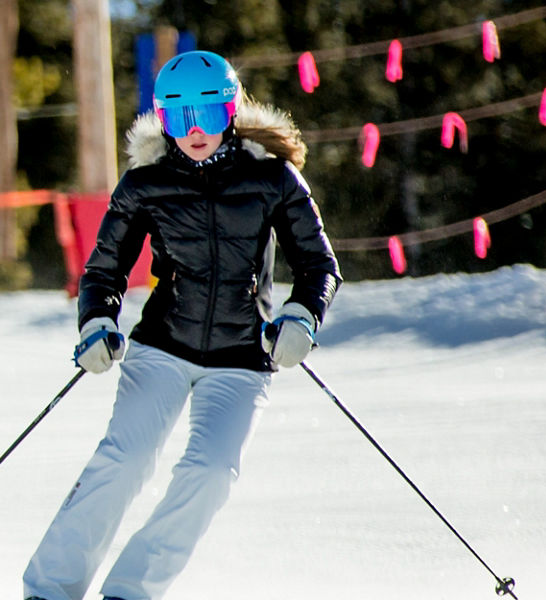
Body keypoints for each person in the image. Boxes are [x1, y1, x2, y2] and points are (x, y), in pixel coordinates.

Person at [24, 50, 337, 600]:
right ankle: (50, 589)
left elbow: (318, 265)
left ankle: (132, 590)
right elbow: (105, 268)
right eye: (179, 117)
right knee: (125, 459)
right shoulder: (147, 181)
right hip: (163, 346)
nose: (195, 130)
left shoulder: (272, 177)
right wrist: (96, 320)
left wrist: (301, 316)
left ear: (231, 112)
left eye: (210, 115)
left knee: (212, 472)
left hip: (242, 356)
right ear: (163, 121)